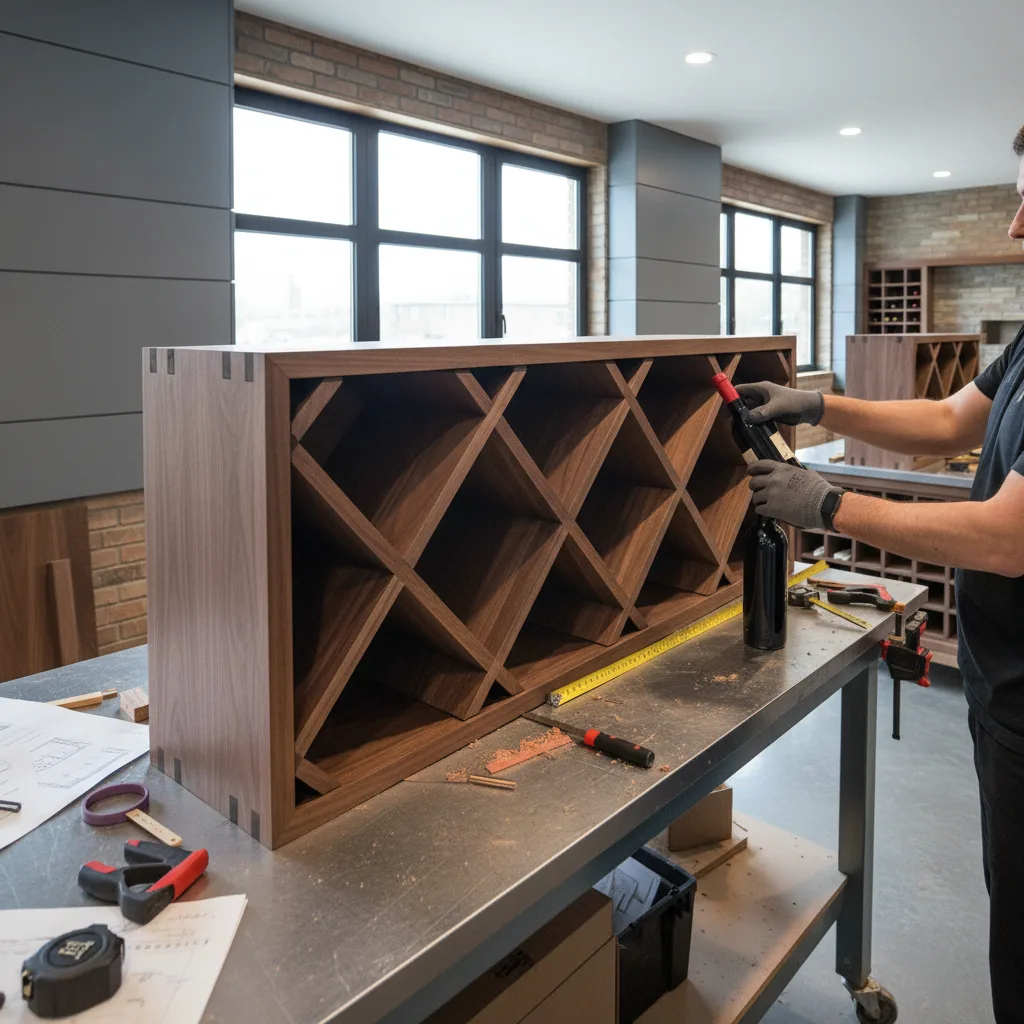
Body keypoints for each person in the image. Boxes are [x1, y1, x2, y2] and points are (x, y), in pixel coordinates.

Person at [738, 123, 1024, 1024]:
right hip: (1001, 685)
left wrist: (828, 508)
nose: (1017, 226)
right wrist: (818, 404)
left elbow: (1010, 538)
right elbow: (948, 422)